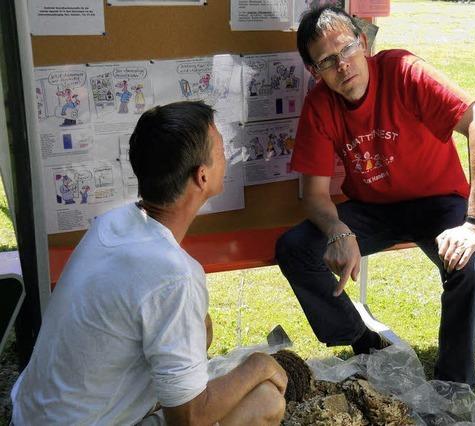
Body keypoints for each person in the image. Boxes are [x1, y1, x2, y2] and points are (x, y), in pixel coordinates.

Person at [11, 101, 287, 425]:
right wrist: (259, 365)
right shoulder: (175, 277)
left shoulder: (111, 223)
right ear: (202, 176)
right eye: (222, 149)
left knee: (201, 328)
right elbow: (189, 419)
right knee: (265, 401)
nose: (227, 156)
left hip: (32, 417)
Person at [275, 6, 475, 387]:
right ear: (314, 72)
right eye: (327, 61)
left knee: (474, 269)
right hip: (373, 208)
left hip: (437, 200)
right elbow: (312, 195)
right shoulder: (319, 105)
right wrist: (337, 229)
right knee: (294, 247)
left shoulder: (403, 71)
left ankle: (453, 386)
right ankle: (365, 342)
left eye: (346, 50)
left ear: (363, 43)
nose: (343, 66)